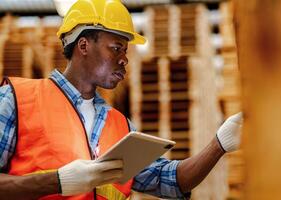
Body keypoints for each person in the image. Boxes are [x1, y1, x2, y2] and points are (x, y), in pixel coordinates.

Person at [0, 0, 243, 199]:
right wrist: (57, 182)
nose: (124, 59)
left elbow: (170, 181)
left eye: (125, 50)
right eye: (116, 48)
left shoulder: (119, 126)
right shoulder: (19, 99)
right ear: (83, 45)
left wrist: (219, 144)